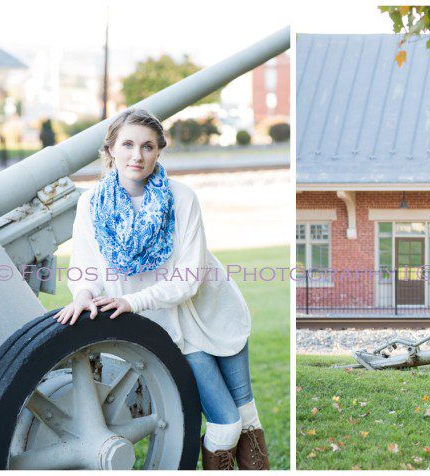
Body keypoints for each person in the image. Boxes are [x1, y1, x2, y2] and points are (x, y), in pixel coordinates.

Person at [54, 108, 269, 470]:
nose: (137, 155)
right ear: (110, 149)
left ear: (159, 151)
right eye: (128, 144)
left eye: (148, 146)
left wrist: (129, 300)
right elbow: (86, 267)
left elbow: (188, 278)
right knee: (227, 424)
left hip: (215, 313)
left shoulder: (182, 198)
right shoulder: (91, 204)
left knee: (249, 419)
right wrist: (83, 296)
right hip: (173, 329)